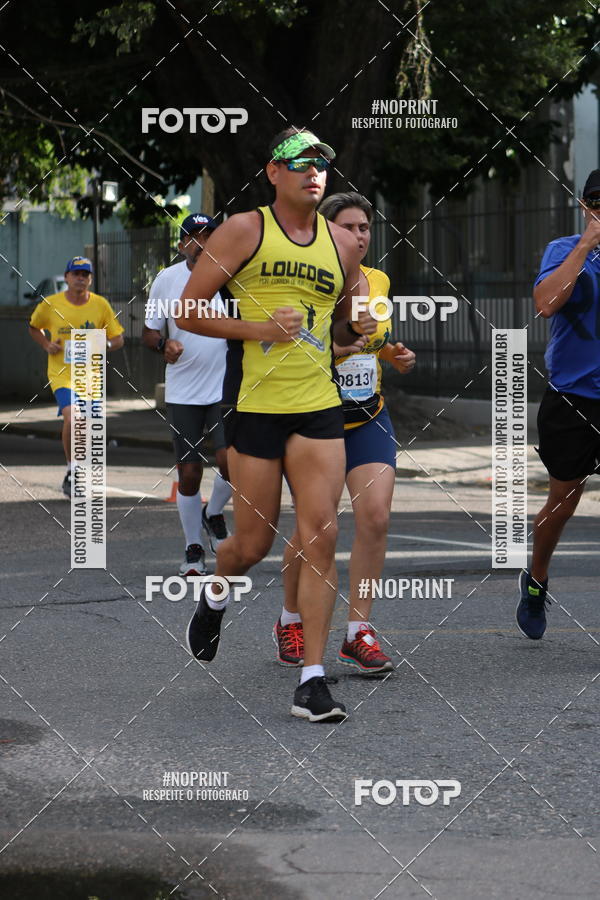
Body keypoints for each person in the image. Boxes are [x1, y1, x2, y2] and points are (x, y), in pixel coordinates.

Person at [175, 127, 376, 722]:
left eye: (323, 163)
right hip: (255, 406)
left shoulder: (341, 246)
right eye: (301, 162)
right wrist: (261, 330)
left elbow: (339, 330)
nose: (315, 171)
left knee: (321, 532)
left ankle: (312, 680)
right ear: (273, 171)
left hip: (317, 405)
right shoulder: (244, 229)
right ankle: (216, 592)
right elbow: (187, 309)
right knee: (253, 546)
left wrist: (354, 330)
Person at [275, 192, 416, 673]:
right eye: (350, 227)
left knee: (374, 518)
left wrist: (389, 353)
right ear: (326, 230)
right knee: (315, 530)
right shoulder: (303, 282)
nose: (361, 235)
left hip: (368, 415)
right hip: (315, 420)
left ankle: (359, 631)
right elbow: (293, 353)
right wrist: (335, 352)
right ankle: (290, 618)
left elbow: (370, 340)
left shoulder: (377, 280)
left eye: (366, 227)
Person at [517, 169, 600, 639]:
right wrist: (587, 245)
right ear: (585, 206)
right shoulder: (563, 250)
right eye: (597, 203)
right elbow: (546, 304)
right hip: (574, 399)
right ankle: (538, 578)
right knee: (564, 502)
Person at [144, 214, 232, 576]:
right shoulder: (167, 280)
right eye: (194, 236)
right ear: (182, 245)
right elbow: (149, 334)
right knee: (190, 471)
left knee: (234, 463)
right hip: (184, 390)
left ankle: (213, 513)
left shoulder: (231, 278)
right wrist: (165, 344)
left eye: (209, 235)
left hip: (226, 386)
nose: (203, 242)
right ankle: (193, 548)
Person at [28, 256, 124, 497]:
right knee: (74, 418)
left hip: (90, 377)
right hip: (61, 374)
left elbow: (118, 338)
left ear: (90, 279)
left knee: (84, 425)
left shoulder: (101, 305)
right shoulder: (51, 303)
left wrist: (100, 343)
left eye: (85, 274)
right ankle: (74, 470)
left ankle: (76, 469)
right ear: (67, 277)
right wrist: (46, 344)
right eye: (76, 274)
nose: (80, 278)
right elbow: (33, 326)